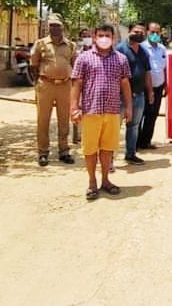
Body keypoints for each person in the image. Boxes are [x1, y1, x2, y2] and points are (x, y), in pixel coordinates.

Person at [71, 24, 132, 200]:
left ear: (113, 38)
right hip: (90, 110)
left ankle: (105, 180)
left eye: (107, 35)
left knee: (107, 149)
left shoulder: (121, 59)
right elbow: (77, 84)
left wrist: (128, 107)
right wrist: (74, 107)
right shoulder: (84, 58)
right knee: (90, 149)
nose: (104, 38)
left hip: (112, 111)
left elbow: (125, 84)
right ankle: (92, 182)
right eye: (100, 35)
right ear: (94, 36)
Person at [30, 14, 77, 167]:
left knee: (64, 120)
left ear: (62, 26)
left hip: (65, 86)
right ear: (47, 27)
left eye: (57, 25)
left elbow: (74, 64)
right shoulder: (40, 44)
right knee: (43, 120)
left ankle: (64, 151)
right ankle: (43, 152)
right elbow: (33, 65)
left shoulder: (70, 45)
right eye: (51, 25)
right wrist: (37, 83)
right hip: (46, 85)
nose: (54, 28)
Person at [116, 22, 153, 165]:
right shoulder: (119, 49)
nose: (139, 34)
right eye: (136, 31)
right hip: (120, 97)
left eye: (142, 33)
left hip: (139, 95)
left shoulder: (144, 52)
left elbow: (147, 73)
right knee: (115, 127)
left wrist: (150, 92)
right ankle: (109, 159)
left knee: (134, 126)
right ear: (130, 31)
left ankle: (130, 154)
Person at [138, 22, 167, 150]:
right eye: (152, 32)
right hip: (144, 87)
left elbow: (164, 67)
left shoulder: (162, 49)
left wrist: (166, 83)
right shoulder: (141, 48)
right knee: (140, 115)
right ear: (147, 32)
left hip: (159, 86)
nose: (155, 34)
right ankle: (136, 143)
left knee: (153, 114)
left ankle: (146, 141)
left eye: (157, 32)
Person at [71, 28, 93, 151]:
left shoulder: (96, 50)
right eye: (84, 35)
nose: (86, 37)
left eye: (88, 35)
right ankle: (76, 136)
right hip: (78, 82)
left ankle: (87, 134)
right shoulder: (75, 49)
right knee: (76, 108)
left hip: (91, 84)